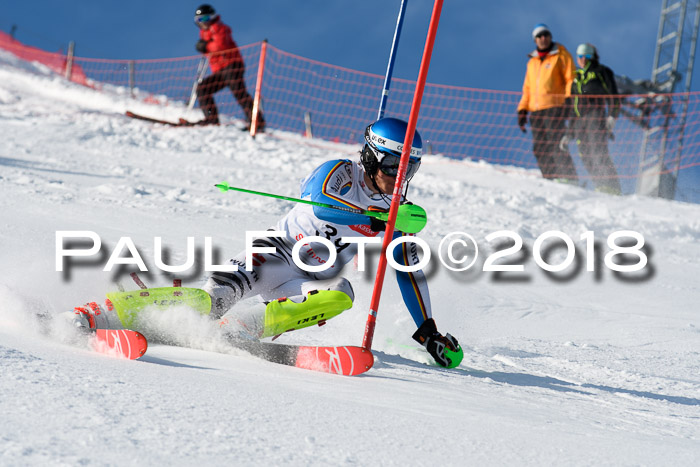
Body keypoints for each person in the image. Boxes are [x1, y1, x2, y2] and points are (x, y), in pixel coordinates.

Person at [203, 117, 463, 368]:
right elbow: (322, 205)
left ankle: (242, 327)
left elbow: (409, 271)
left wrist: (428, 331)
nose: (399, 177)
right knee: (218, 296)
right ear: (372, 157)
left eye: (409, 169)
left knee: (341, 293)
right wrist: (374, 217)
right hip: (277, 253)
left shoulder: (397, 213)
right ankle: (188, 312)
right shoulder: (341, 171)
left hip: (306, 283)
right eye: (393, 165)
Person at [517, 24, 578, 183]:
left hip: (555, 107)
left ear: (550, 37)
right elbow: (527, 88)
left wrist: (569, 99)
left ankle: (569, 177)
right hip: (536, 110)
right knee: (539, 148)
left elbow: (570, 78)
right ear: (535, 40)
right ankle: (551, 179)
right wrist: (522, 110)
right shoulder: (532, 63)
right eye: (539, 36)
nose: (543, 38)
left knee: (556, 142)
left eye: (546, 35)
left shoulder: (560, 55)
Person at [559, 43, 621, 195]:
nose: (582, 60)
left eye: (586, 56)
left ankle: (612, 186)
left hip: (595, 115)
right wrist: (569, 133)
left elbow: (613, 95)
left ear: (592, 57)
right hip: (580, 120)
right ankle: (600, 185)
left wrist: (612, 115)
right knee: (585, 154)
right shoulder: (577, 78)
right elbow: (574, 108)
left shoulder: (601, 71)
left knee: (598, 150)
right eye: (580, 56)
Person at [193, 4, 264, 130]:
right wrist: (204, 47)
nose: (202, 23)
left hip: (232, 66)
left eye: (204, 19)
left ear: (212, 17)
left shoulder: (219, 28)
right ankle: (211, 119)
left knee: (239, 93)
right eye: (199, 20)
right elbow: (211, 49)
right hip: (220, 71)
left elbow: (219, 46)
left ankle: (257, 122)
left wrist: (205, 47)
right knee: (203, 88)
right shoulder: (204, 34)